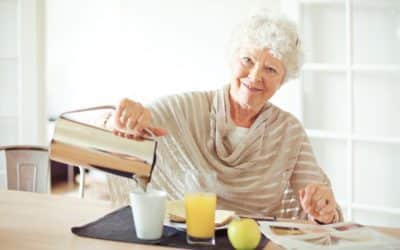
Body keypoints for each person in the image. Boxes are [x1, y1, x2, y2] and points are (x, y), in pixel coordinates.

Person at [106, 11, 342, 224]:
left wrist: (323, 210)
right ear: (232, 59)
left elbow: (321, 204)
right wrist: (124, 118)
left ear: (283, 80)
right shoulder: (187, 108)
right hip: (189, 240)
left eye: (271, 69)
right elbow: (126, 128)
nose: (255, 76)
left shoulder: (288, 131)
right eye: (248, 60)